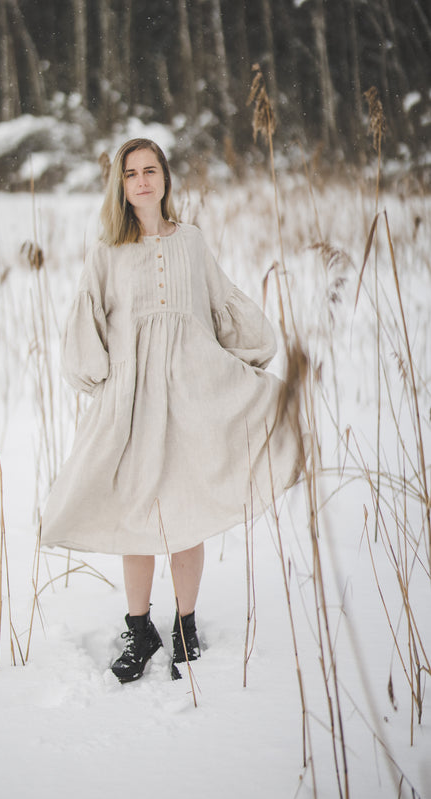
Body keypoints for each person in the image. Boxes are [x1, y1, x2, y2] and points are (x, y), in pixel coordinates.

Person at [41, 138, 305, 683]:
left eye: (151, 170)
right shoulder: (106, 252)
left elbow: (220, 304)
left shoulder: (191, 243)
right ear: (120, 184)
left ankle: (185, 623)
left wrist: (241, 362)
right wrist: (104, 383)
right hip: (134, 403)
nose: (142, 180)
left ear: (165, 178)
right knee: (136, 518)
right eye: (131, 172)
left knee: (187, 514)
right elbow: (87, 324)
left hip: (194, 394)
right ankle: (140, 629)